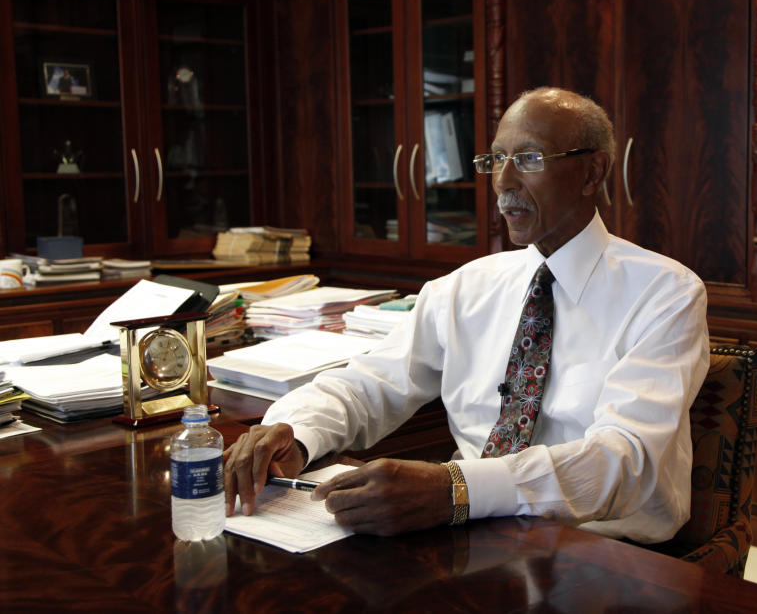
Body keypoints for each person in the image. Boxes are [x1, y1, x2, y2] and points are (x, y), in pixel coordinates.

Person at [224, 87, 709, 543]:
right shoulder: (462, 288)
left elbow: (623, 461)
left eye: (529, 159)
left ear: (592, 172)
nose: (503, 182)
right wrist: (293, 432)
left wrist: (455, 489)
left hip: (606, 555)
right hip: (471, 535)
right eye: (496, 160)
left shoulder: (666, 293)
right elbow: (369, 383)